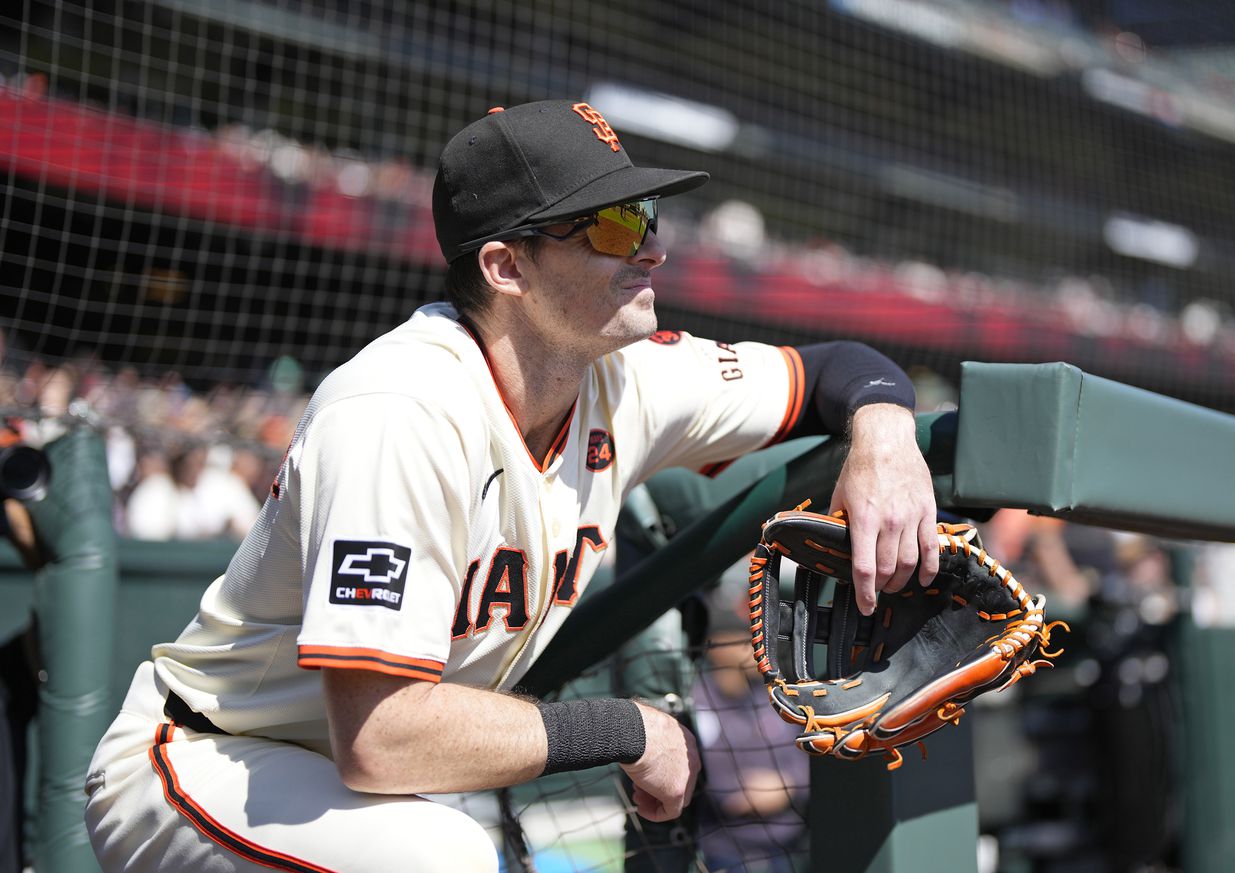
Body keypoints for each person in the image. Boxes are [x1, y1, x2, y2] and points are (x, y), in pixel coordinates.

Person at [83, 100, 938, 872]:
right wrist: (629, 728)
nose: (652, 245)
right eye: (607, 224)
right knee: (440, 860)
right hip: (207, 760)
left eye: (644, 213)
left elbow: (839, 369)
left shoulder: (628, 376)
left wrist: (885, 434)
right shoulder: (400, 409)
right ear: (506, 266)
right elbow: (380, 734)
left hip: (362, 786)